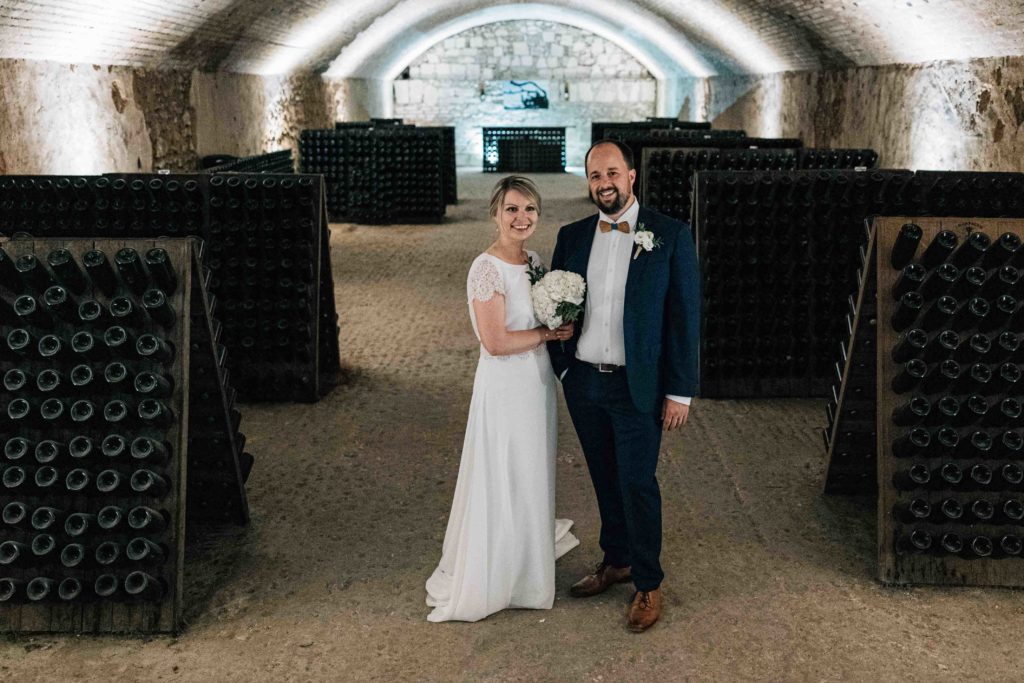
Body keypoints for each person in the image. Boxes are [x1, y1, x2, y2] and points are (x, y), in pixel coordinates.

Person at [547, 140, 700, 632]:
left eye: (612, 173)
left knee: (637, 483)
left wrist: (680, 391)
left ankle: (648, 583)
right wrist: (564, 367)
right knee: (603, 477)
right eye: (595, 176)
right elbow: (552, 306)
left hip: (640, 388)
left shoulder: (670, 235)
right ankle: (616, 561)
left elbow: (684, 318)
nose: (604, 183)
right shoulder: (572, 236)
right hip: (586, 382)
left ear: (631, 176)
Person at [426, 175, 579, 623]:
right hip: (505, 384)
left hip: (537, 384)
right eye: (512, 209)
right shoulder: (485, 268)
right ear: (495, 213)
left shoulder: (535, 260)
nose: (521, 218)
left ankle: (525, 557)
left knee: (531, 467)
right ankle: (499, 569)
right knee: (503, 468)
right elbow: (494, 341)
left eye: (529, 209)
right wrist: (547, 333)